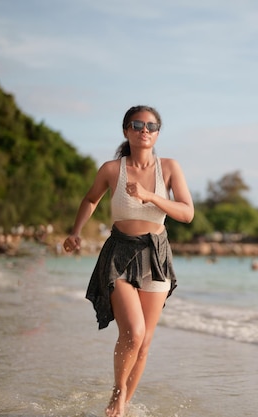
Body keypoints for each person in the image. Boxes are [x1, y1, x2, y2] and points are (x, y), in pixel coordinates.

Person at [63, 105, 194, 417]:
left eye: (150, 125)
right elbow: (91, 199)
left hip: (156, 254)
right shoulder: (112, 169)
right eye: (137, 124)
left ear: (158, 132)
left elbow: (187, 213)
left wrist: (151, 197)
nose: (144, 130)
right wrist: (76, 232)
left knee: (145, 342)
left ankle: (118, 404)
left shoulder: (170, 167)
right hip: (119, 252)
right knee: (132, 333)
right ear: (126, 131)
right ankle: (120, 397)